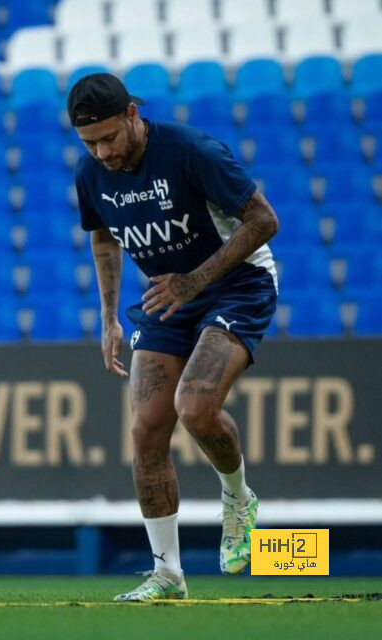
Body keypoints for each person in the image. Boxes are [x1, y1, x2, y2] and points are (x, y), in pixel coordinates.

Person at [68, 73, 279, 601]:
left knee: (195, 407)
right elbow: (102, 237)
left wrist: (196, 281)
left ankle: (237, 499)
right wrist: (110, 316)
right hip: (168, 296)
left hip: (235, 284)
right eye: (90, 143)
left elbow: (264, 220)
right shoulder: (91, 173)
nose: (103, 152)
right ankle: (168, 574)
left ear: (134, 114)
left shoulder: (191, 151)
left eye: (110, 137)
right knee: (145, 430)